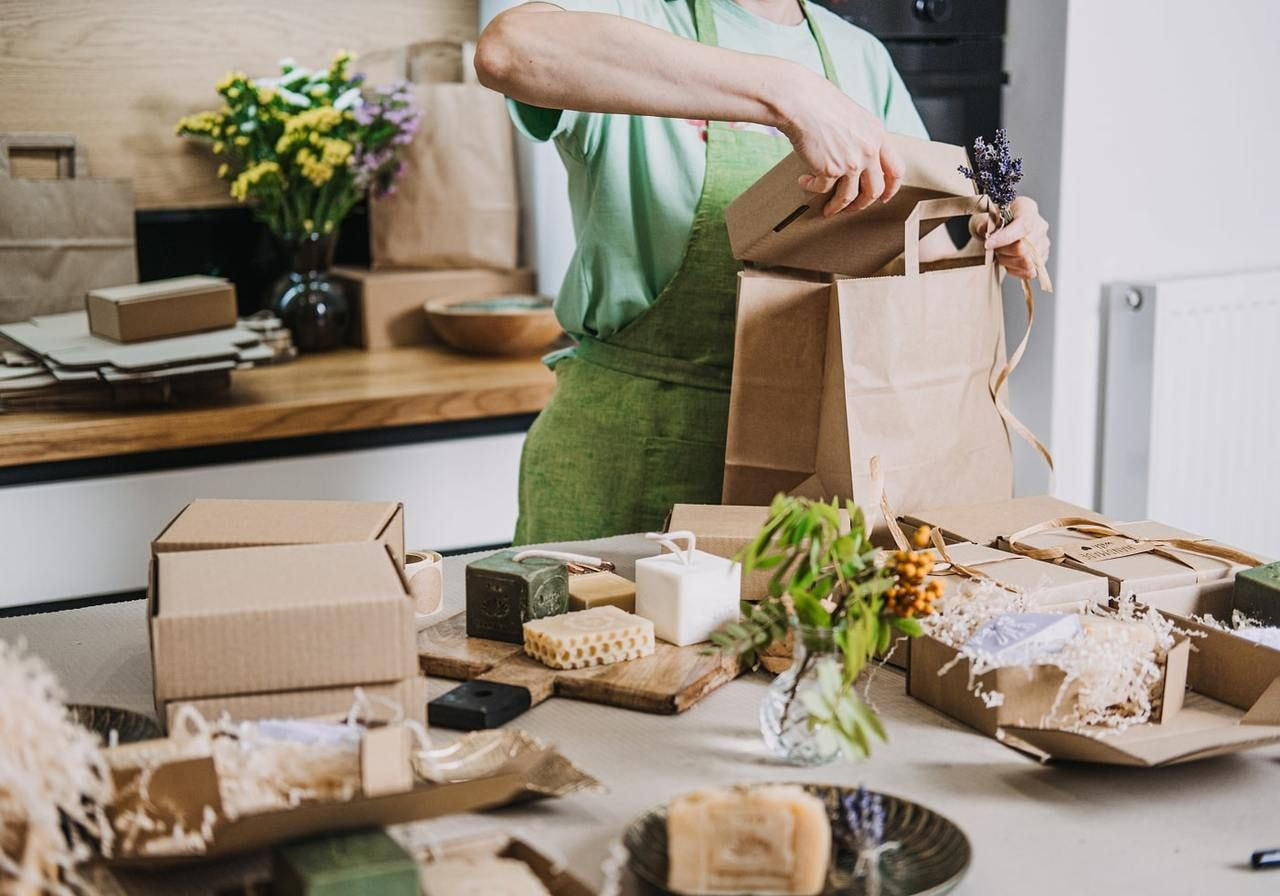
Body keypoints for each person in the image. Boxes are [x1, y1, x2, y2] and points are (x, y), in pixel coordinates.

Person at [475, 0, 1050, 544]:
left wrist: (987, 243)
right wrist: (787, 93)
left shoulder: (859, 56)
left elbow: (909, 254)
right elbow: (507, 50)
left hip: (808, 473)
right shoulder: (637, 15)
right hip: (630, 457)